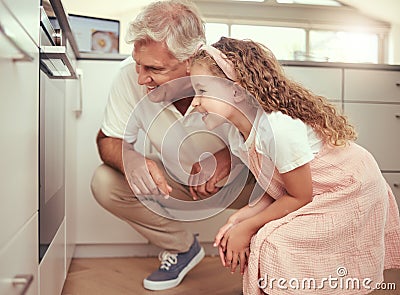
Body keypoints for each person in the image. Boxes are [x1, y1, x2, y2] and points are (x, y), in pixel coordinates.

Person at [190, 37, 400, 294]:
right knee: (263, 234)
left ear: (236, 90)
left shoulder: (278, 129)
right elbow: (277, 185)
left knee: (276, 243)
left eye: (202, 91)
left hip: (350, 189)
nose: (195, 102)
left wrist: (248, 227)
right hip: (314, 192)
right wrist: (242, 217)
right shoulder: (237, 135)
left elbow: (300, 195)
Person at [90, 1, 255, 291]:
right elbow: (107, 139)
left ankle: (274, 261)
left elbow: (281, 140)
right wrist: (133, 158)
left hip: (242, 183)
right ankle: (182, 249)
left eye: (154, 68)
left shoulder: (232, 75)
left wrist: (232, 157)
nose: (141, 78)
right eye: (138, 63)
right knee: (105, 182)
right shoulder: (131, 75)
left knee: (290, 186)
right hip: (178, 182)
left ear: (191, 59)